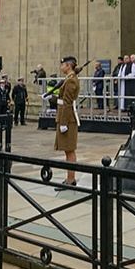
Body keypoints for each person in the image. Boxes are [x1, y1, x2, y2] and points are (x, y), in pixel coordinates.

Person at [53, 56, 81, 189]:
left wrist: (63, 122)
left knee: (69, 150)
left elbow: (67, 103)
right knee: (67, 150)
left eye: (63, 64)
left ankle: (71, 180)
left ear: (68, 66)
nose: (61, 66)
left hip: (68, 119)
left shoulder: (70, 81)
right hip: (65, 117)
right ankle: (70, 178)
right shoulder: (69, 79)